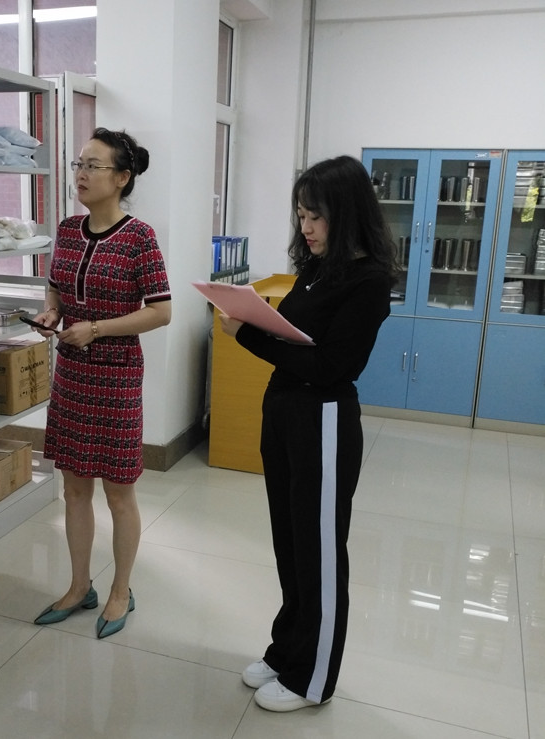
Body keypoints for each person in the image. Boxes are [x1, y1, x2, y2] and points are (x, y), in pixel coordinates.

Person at [219, 155, 397, 712]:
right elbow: (294, 336)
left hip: (324, 419)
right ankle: (287, 651)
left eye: (316, 216)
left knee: (319, 553)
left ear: (346, 214)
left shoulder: (369, 280)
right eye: (301, 215)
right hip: (285, 412)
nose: (307, 227)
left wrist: (246, 334)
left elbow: (329, 366)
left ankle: (311, 680)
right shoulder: (318, 267)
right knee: (290, 544)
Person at [28, 127, 171, 639]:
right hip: (72, 374)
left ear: (122, 177)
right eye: (79, 165)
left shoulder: (139, 237)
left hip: (116, 377)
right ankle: (78, 586)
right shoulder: (69, 230)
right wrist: (51, 313)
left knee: (118, 492)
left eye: (93, 166)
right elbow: (56, 287)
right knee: (73, 488)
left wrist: (97, 329)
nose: (82, 174)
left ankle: (120, 591)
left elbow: (161, 311)